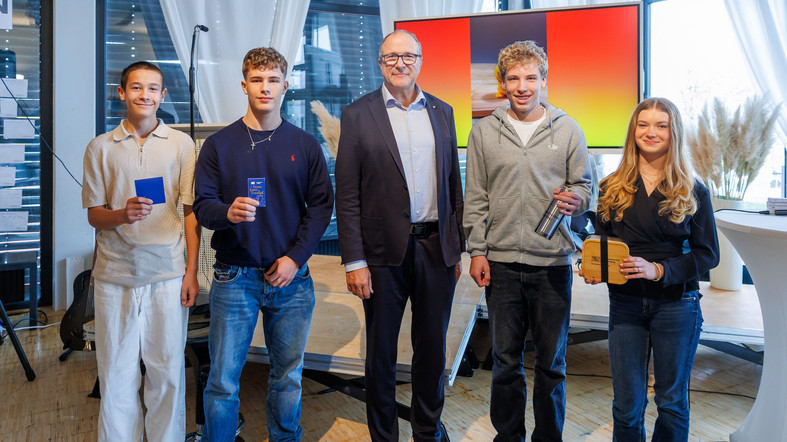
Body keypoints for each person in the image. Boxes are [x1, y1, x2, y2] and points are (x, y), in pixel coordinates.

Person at [193, 47, 334, 441]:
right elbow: (202, 206)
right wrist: (227, 213)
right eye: (257, 80)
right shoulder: (218, 145)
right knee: (222, 379)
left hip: (291, 278)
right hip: (233, 276)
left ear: (285, 86)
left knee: (288, 376)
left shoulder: (305, 145)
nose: (265, 87)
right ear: (244, 85)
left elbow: (322, 207)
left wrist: (295, 258)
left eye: (273, 80)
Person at [334, 30, 465, 442]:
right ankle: (384, 436)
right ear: (379, 63)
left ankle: (427, 431)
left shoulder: (442, 112)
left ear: (421, 61)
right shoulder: (358, 114)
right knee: (382, 356)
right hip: (380, 255)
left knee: (432, 352)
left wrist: (456, 246)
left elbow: (452, 184)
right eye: (391, 57)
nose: (400, 63)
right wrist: (354, 260)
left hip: (435, 248)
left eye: (408, 56)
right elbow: (348, 193)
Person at [463, 40, 592, 441]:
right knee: (505, 362)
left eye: (531, 77)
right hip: (500, 266)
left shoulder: (568, 129)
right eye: (514, 78)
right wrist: (477, 250)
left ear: (544, 79)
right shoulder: (484, 131)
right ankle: (509, 436)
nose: (523, 86)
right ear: (502, 83)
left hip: (552, 264)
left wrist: (578, 200)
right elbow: (477, 197)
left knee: (552, 364)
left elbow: (586, 189)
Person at [582, 97, 719, 440]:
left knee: (671, 403)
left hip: (676, 304)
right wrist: (596, 268)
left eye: (661, 126)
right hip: (625, 305)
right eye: (643, 124)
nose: (651, 132)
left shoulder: (693, 189)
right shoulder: (609, 187)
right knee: (626, 407)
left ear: (674, 134)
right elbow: (603, 242)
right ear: (633, 131)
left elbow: (707, 256)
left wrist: (658, 270)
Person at [81, 61, 200, 442]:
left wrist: (191, 272)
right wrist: (121, 214)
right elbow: (94, 216)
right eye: (136, 87)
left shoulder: (182, 144)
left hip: (167, 274)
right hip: (114, 277)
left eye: (153, 88)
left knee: (166, 373)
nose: (144, 95)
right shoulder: (100, 147)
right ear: (121, 92)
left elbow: (190, 213)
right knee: (115, 373)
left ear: (163, 96)